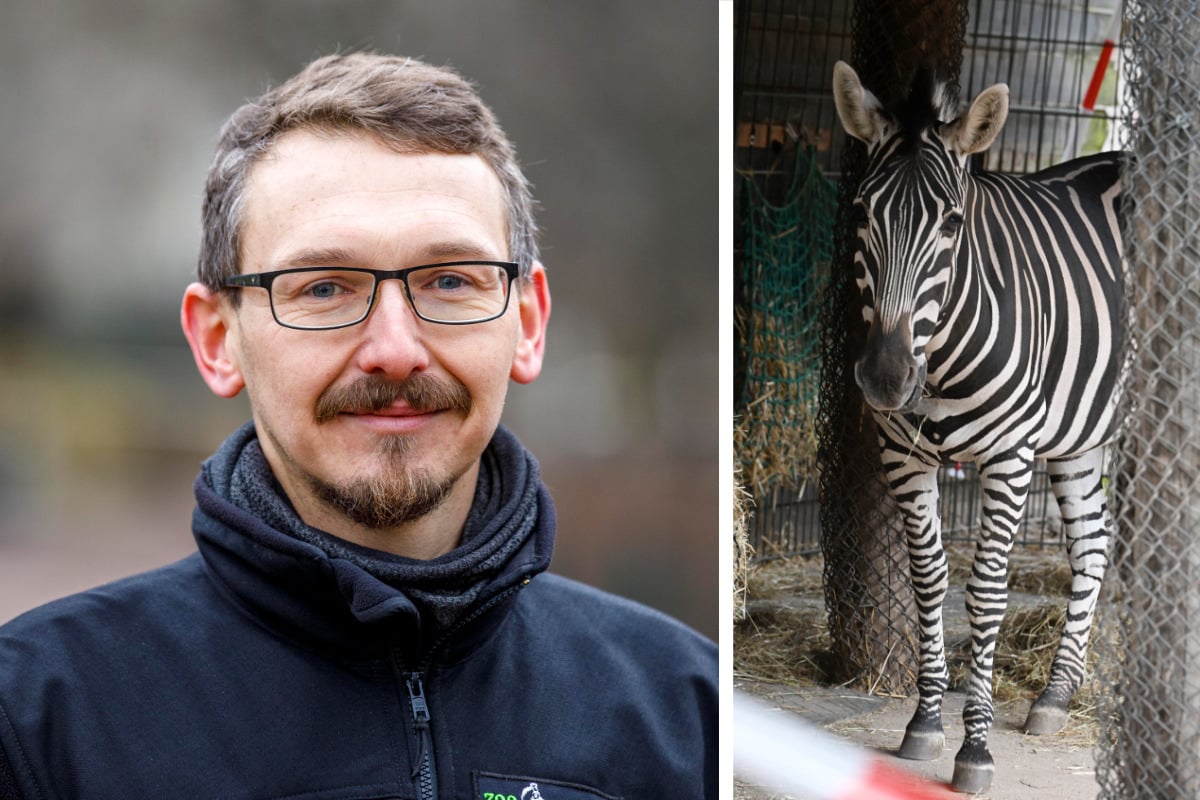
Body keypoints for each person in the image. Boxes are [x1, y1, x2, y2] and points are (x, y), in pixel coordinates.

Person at [0, 52, 717, 799]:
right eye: (324, 288)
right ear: (218, 339)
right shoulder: (36, 719)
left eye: (449, 280)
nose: (396, 351)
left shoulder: (690, 714)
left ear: (527, 324)